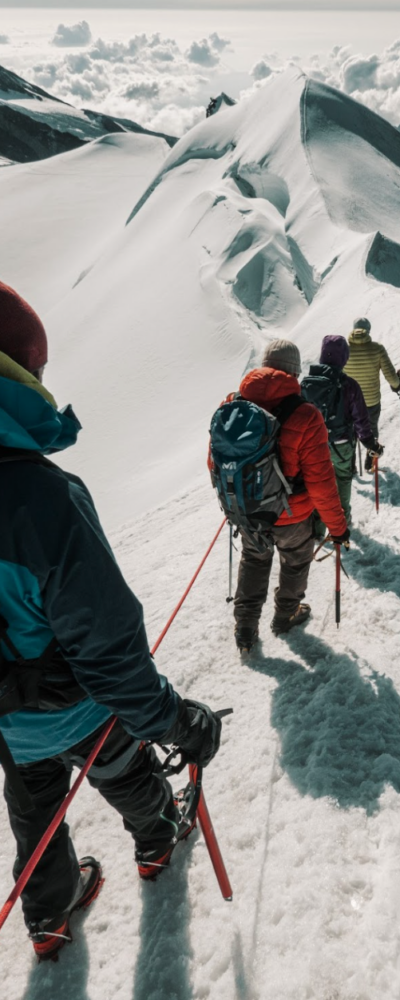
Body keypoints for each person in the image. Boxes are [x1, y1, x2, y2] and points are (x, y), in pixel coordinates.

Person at [0, 281, 223, 962]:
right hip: (77, 704)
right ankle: (157, 841)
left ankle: (48, 918)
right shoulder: (42, 499)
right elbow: (109, 651)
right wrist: (178, 722)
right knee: (123, 765)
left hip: (6, 721)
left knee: (35, 811)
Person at [214, 339, 349, 654]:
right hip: (293, 515)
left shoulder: (231, 405)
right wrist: (338, 527)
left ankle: (245, 628)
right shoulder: (306, 416)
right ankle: (286, 614)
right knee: (295, 561)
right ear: (294, 371)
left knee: (254, 559)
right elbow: (321, 482)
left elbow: (216, 461)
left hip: (250, 511)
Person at [301, 334, 383, 534]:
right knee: (342, 479)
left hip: (314, 445)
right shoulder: (350, 385)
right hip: (342, 444)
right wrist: (371, 444)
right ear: (344, 357)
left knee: (318, 483)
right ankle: (341, 522)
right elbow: (361, 420)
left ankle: (316, 527)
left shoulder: (307, 383)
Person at [346, 317, 400, 469]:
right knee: (371, 429)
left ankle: (349, 465)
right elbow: (391, 376)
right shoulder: (377, 348)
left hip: (348, 402)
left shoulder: (344, 349)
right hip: (370, 401)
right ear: (368, 330)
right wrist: (398, 384)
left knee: (349, 432)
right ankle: (371, 458)